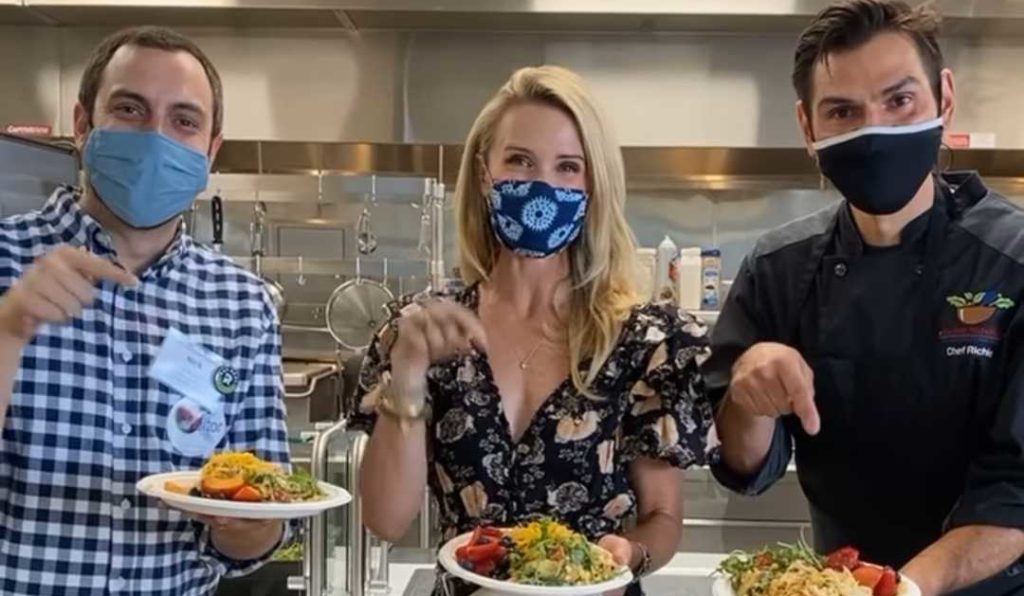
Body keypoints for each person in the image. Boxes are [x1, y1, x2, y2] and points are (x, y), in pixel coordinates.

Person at [352, 65, 712, 595]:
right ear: (483, 174)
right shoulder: (425, 331)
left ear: (593, 185)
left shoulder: (645, 343)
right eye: (520, 161)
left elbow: (662, 515)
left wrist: (629, 555)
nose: (543, 185)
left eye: (568, 167)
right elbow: (385, 520)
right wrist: (406, 374)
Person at [705, 1, 1024, 595]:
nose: (874, 131)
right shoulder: (779, 268)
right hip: (838, 579)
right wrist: (749, 396)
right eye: (844, 112)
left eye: (899, 101)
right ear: (807, 127)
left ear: (944, 98)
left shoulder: (1013, 262)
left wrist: (897, 588)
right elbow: (746, 467)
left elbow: (1017, 489)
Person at [0, 27, 291, 595]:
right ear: (83, 126)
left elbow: (262, 531)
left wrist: (242, 523)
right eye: (130, 109)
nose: (157, 137)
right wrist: (9, 332)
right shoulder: (8, 262)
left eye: (184, 121)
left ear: (210, 151)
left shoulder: (242, 305)